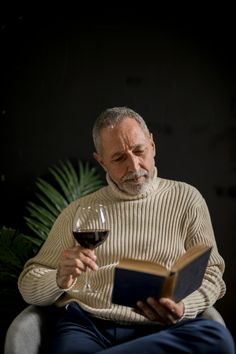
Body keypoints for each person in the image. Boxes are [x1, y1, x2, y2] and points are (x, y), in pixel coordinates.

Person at [18, 107, 235, 354]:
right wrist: (58, 277)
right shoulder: (79, 211)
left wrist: (184, 307)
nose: (133, 166)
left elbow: (212, 274)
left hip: (164, 327)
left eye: (139, 151)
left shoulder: (187, 199)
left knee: (219, 338)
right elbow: (28, 283)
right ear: (101, 161)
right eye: (119, 158)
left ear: (152, 145)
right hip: (89, 327)